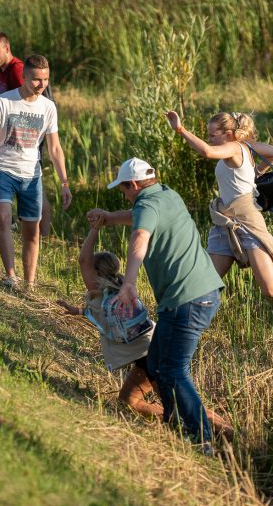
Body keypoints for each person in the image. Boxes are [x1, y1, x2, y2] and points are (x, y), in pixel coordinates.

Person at [87, 158, 226, 449]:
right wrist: (110, 218)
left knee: (173, 369)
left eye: (124, 189)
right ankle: (176, 423)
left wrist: (129, 282)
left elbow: (140, 233)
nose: (124, 194)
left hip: (187, 300)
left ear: (134, 185)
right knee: (157, 365)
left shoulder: (145, 205)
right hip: (203, 293)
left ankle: (203, 439)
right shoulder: (166, 195)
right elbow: (139, 218)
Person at [56, 225, 234, 437]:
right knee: (128, 402)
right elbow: (100, 316)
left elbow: (83, 259)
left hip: (150, 357)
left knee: (180, 403)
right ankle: (180, 421)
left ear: (95, 274)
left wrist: (95, 226)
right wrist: (76, 311)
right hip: (149, 349)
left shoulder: (98, 292)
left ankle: (223, 430)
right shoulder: (117, 290)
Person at [167, 110, 273, 295]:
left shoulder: (235, 147)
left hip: (247, 220)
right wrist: (255, 172)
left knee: (272, 289)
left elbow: (207, 151)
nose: (209, 138)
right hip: (225, 221)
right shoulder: (243, 147)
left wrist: (180, 129)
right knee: (202, 284)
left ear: (228, 135)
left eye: (212, 135)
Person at [0, 55, 72, 290]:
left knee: (32, 231)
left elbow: (55, 148)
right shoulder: (4, 102)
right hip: (1, 170)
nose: (41, 85)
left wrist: (65, 183)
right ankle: (11, 276)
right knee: (4, 217)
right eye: (37, 80)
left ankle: (29, 284)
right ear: (24, 76)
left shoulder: (48, 107)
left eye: (46, 80)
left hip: (31, 175)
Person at [0, 31, 56, 238]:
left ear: (7, 48)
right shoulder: (4, 69)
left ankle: (43, 233)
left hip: (27, 131)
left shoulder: (17, 71)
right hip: (11, 132)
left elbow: (27, 101)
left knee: (33, 180)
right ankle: (3, 214)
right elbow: (8, 100)